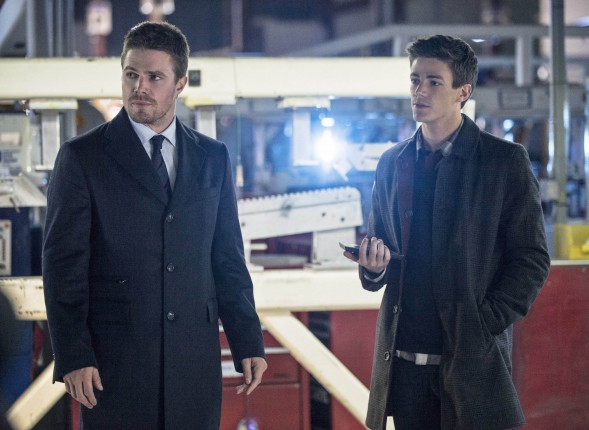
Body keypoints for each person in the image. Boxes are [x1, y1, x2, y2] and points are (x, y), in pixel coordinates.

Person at [42, 21, 267, 429]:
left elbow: (227, 259)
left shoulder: (212, 158)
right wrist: (74, 355)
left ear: (180, 83)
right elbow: (63, 267)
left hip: (193, 365)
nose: (139, 87)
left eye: (154, 77)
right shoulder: (83, 158)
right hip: (115, 366)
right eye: (131, 75)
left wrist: (248, 340)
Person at [343, 35, 550, 430]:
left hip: (470, 364)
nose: (419, 91)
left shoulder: (503, 162)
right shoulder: (392, 163)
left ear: (463, 92)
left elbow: (532, 258)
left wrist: (484, 322)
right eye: (415, 80)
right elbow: (381, 248)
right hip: (404, 368)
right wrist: (372, 266)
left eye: (434, 81)